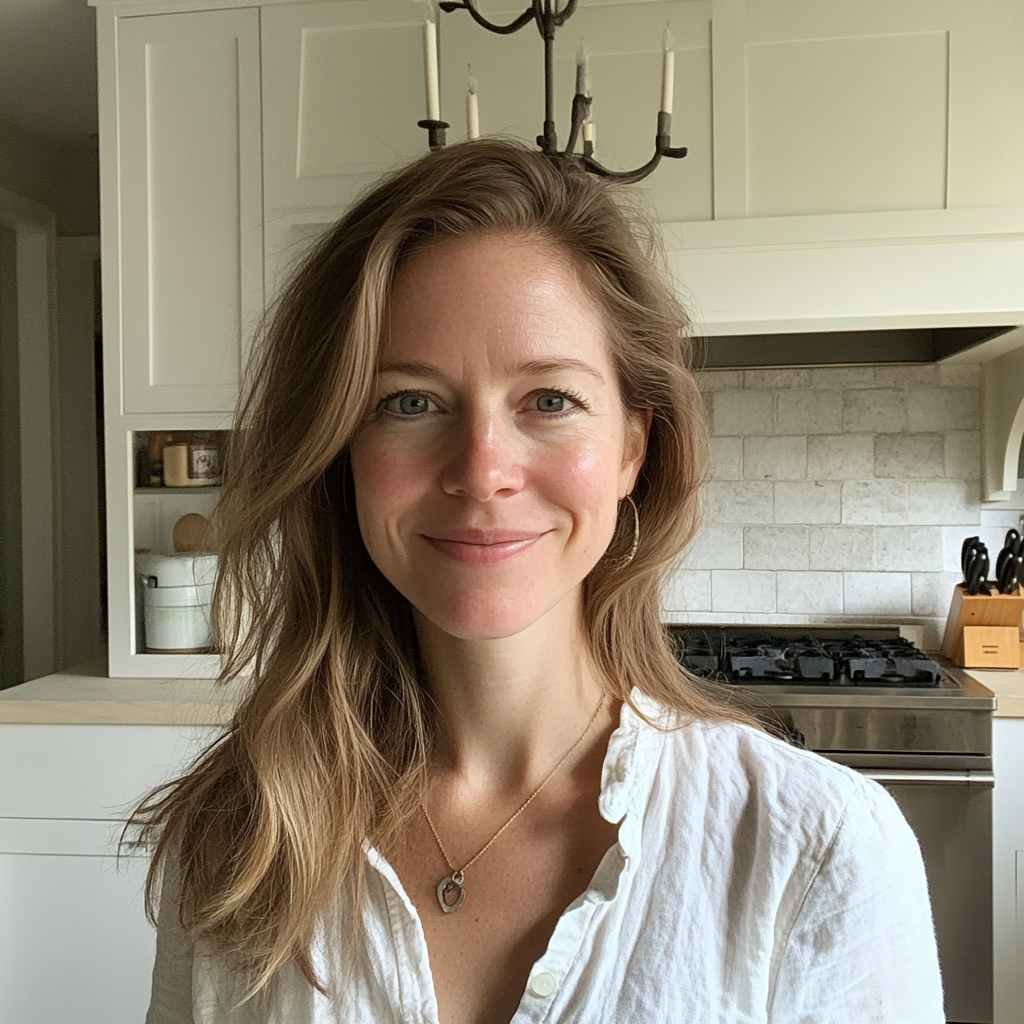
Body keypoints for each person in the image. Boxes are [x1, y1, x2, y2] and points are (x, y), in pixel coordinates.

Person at [134, 139, 944, 1024]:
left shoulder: (816, 852)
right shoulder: (241, 841)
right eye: (409, 402)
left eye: (549, 400)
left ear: (633, 445)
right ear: (341, 456)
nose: (483, 472)